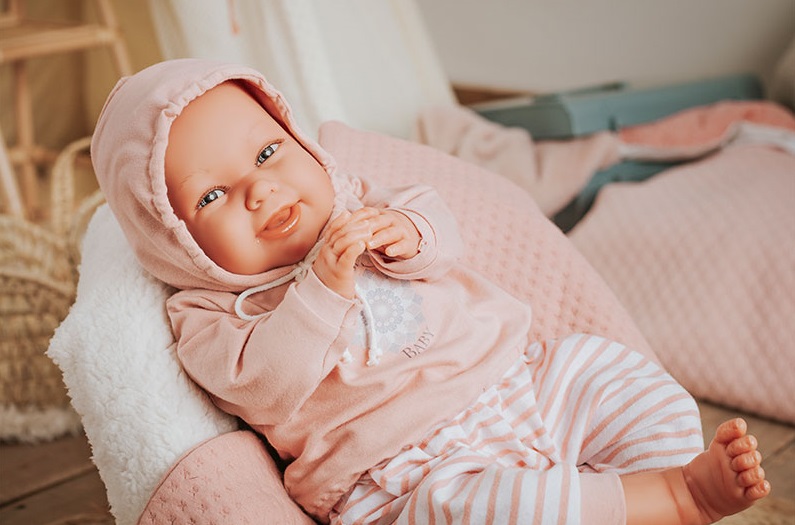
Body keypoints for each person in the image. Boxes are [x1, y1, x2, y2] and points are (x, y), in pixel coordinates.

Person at [91, 59, 770, 525]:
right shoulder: (208, 312)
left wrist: (409, 232)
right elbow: (263, 386)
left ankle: (658, 471)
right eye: (212, 196)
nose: (260, 189)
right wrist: (319, 291)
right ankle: (673, 499)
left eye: (268, 153)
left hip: (517, 384)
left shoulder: (357, 202)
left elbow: (442, 232)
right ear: (172, 240)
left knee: (609, 373)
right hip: (405, 474)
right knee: (485, 509)